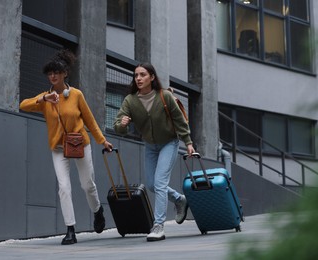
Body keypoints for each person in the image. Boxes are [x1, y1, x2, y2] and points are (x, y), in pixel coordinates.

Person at [19, 49, 113, 245]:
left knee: (87, 185)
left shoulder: (76, 95)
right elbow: (23, 105)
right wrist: (43, 99)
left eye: (56, 72)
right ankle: (70, 229)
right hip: (58, 149)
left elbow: (90, 120)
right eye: (49, 73)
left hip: (79, 144)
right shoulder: (45, 98)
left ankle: (97, 211)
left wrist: (102, 140)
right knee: (63, 187)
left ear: (65, 74)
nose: (52, 76)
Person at [114, 62, 195, 242]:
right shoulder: (130, 100)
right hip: (150, 146)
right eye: (136, 75)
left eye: (143, 75)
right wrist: (122, 125)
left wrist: (188, 142)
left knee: (159, 183)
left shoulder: (164, 96)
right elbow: (118, 125)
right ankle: (180, 199)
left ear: (151, 77)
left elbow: (180, 121)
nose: (139, 78)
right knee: (151, 184)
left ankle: (158, 226)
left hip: (169, 143)